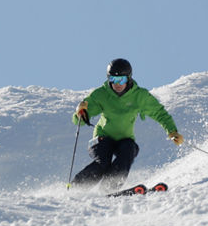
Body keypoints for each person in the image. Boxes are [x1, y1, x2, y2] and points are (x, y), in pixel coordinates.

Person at [70, 58, 183, 191]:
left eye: (121, 80)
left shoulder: (139, 96)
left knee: (128, 152)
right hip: (103, 138)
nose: (117, 84)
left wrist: (172, 131)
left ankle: (108, 188)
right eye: (113, 79)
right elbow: (80, 118)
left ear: (128, 78)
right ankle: (76, 187)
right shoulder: (101, 94)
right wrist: (81, 113)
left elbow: (159, 113)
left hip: (124, 139)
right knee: (103, 163)